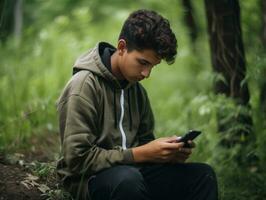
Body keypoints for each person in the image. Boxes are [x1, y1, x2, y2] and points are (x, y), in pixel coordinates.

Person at [56, 9, 218, 200]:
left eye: (152, 66)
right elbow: (77, 160)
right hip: (90, 180)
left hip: (134, 175)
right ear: (122, 47)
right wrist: (138, 154)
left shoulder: (137, 91)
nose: (146, 74)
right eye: (143, 63)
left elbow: (144, 146)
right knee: (127, 180)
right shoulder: (83, 87)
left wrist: (167, 154)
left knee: (202, 176)